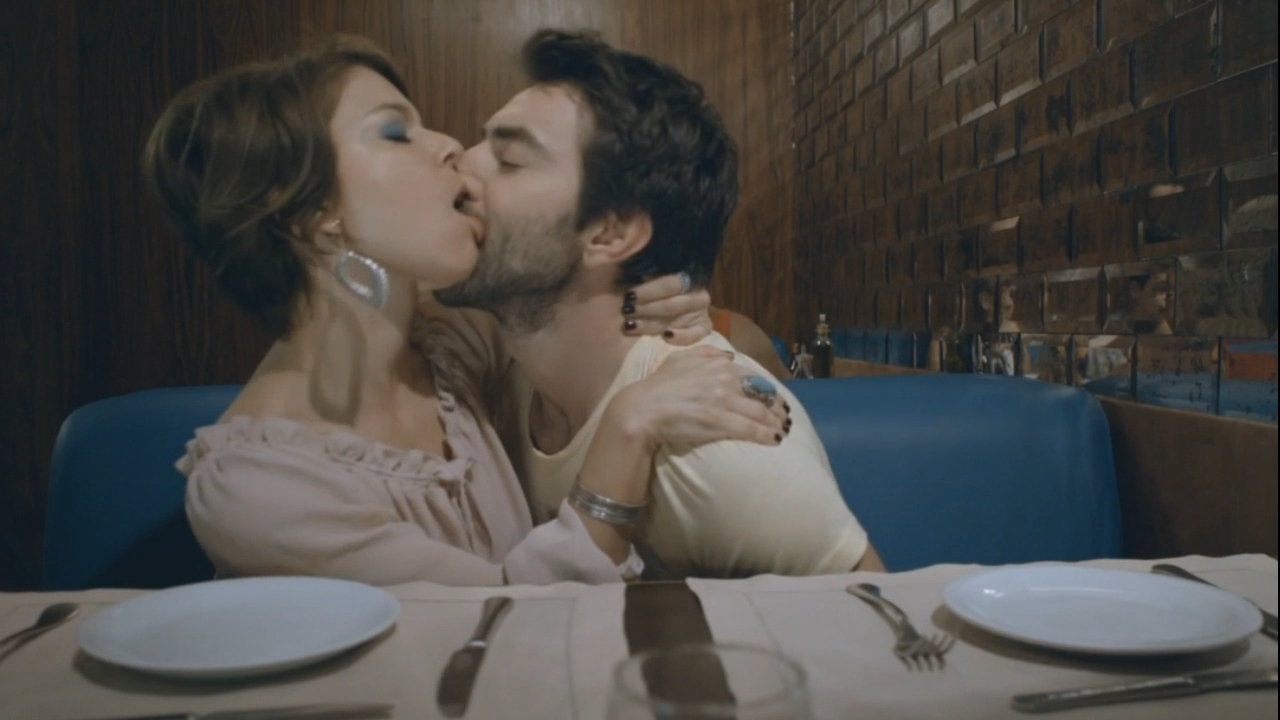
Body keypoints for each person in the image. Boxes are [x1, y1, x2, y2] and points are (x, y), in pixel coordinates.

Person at [144, 36, 790, 586]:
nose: (450, 145)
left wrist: (669, 308)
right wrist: (629, 425)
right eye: (395, 132)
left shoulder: (451, 342)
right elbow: (503, 621)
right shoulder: (257, 490)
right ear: (312, 211)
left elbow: (725, 343)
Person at [438, 29, 884, 577]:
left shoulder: (717, 452)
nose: (461, 166)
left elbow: (875, 613)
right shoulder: (499, 369)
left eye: (509, 160)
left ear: (609, 232)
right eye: (479, 143)